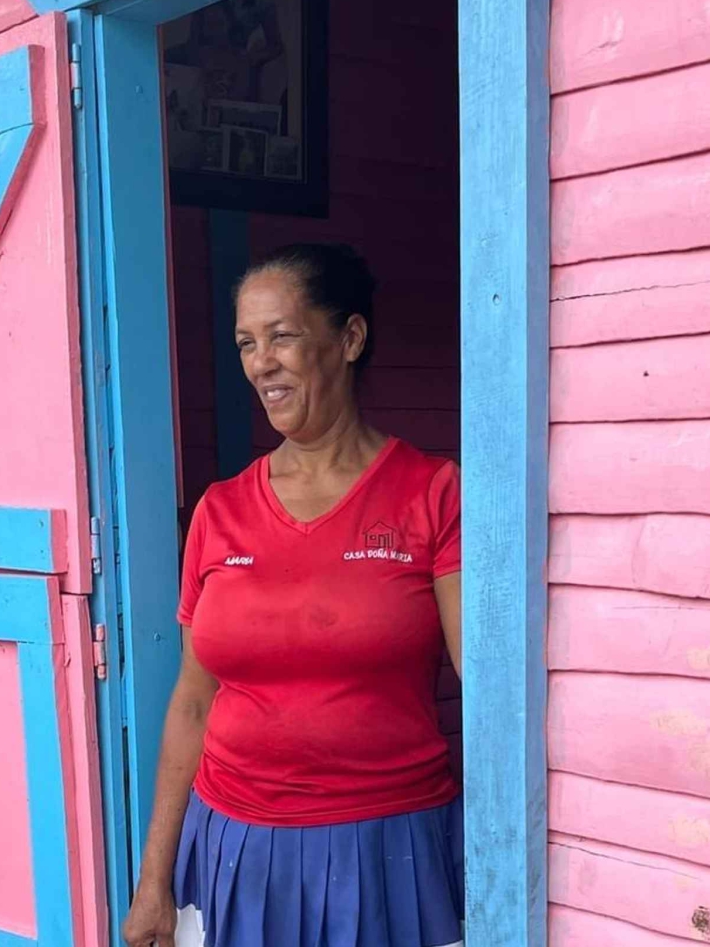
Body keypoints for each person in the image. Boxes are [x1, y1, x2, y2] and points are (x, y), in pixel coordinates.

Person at [121, 244, 464, 947]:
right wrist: (153, 880)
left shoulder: (432, 493)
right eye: (246, 343)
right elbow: (193, 700)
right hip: (236, 849)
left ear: (350, 338)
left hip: (389, 847)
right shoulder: (219, 511)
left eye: (281, 336)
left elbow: (489, 686)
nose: (260, 364)